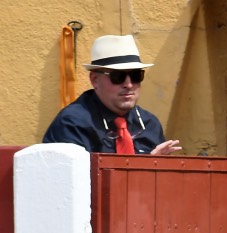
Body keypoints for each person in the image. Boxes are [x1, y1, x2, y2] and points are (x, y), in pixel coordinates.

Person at [43, 34, 181, 155]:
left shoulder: (149, 124)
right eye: (118, 76)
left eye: (135, 75)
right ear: (95, 80)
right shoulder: (73, 124)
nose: (129, 84)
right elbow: (74, 181)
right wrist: (147, 167)